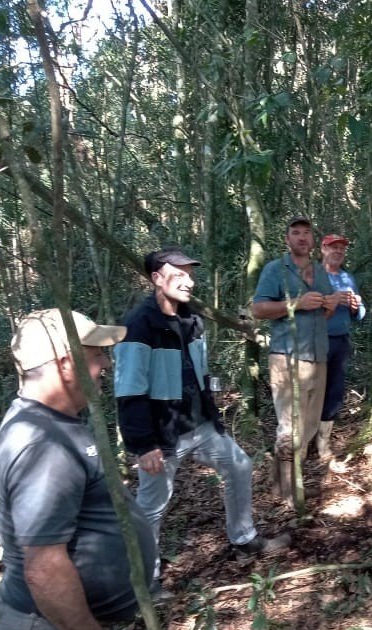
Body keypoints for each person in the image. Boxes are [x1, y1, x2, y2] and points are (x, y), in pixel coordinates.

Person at [0, 308, 155, 630]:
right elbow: (43, 568)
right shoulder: (43, 443)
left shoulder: (54, 425)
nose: (106, 366)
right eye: (97, 355)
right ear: (66, 363)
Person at [114, 248, 290, 579]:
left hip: (200, 425)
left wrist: (211, 395)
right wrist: (143, 444)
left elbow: (196, 371)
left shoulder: (191, 319)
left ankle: (244, 538)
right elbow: (129, 390)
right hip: (161, 436)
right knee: (152, 508)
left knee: (239, 466)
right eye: (178, 274)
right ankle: (143, 583)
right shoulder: (139, 325)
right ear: (156, 278)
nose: (188, 281)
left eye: (190, 274)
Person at [252, 217, 337, 497]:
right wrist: (295, 304)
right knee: (289, 427)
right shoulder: (276, 269)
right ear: (287, 239)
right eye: (296, 233)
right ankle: (286, 490)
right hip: (287, 357)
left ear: (313, 239)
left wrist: (330, 305)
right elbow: (259, 309)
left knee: (309, 425)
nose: (302, 237)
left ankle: (291, 483)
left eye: (307, 233)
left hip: (318, 356)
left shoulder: (320, 273)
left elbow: (321, 315)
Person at [317, 233, 366, 463]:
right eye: (333, 247)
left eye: (341, 249)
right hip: (315, 341)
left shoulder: (348, 278)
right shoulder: (313, 275)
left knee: (334, 392)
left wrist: (356, 308)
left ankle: (323, 444)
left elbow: (360, 313)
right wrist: (331, 301)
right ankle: (303, 440)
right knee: (311, 390)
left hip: (340, 341)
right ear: (323, 250)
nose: (338, 251)